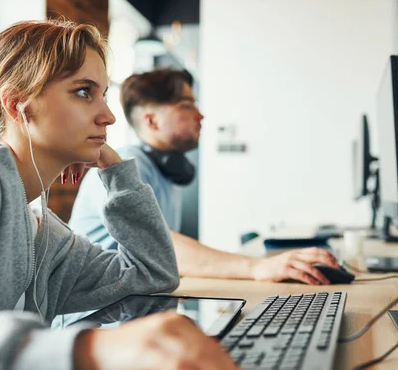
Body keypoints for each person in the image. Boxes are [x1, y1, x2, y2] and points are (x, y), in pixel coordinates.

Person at [0, 20, 256, 370]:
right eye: (83, 92)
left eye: (103, 95)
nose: (108, 116)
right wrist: (89, 351)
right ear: (17, 106)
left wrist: (117, 172)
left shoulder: (36, 228)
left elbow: (152, 275)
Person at [70, 70, 339, 285]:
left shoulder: (165, 170)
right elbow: (161, 247)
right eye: (187, 105)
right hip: (99, 319)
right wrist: (258, 267)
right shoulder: (124, 167)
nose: (200, 115)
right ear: (151, 121)